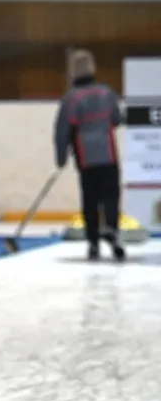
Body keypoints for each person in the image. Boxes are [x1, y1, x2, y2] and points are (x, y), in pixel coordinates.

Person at [54, 48, 126, 261]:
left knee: (90, 199)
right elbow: (117, 118)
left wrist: (61, 157)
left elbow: (61, 132)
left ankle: (93, 241)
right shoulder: (106, 93)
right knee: (111, 196)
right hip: (108, 155)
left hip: (86, 159)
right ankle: (112, 230)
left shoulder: (71, 99)